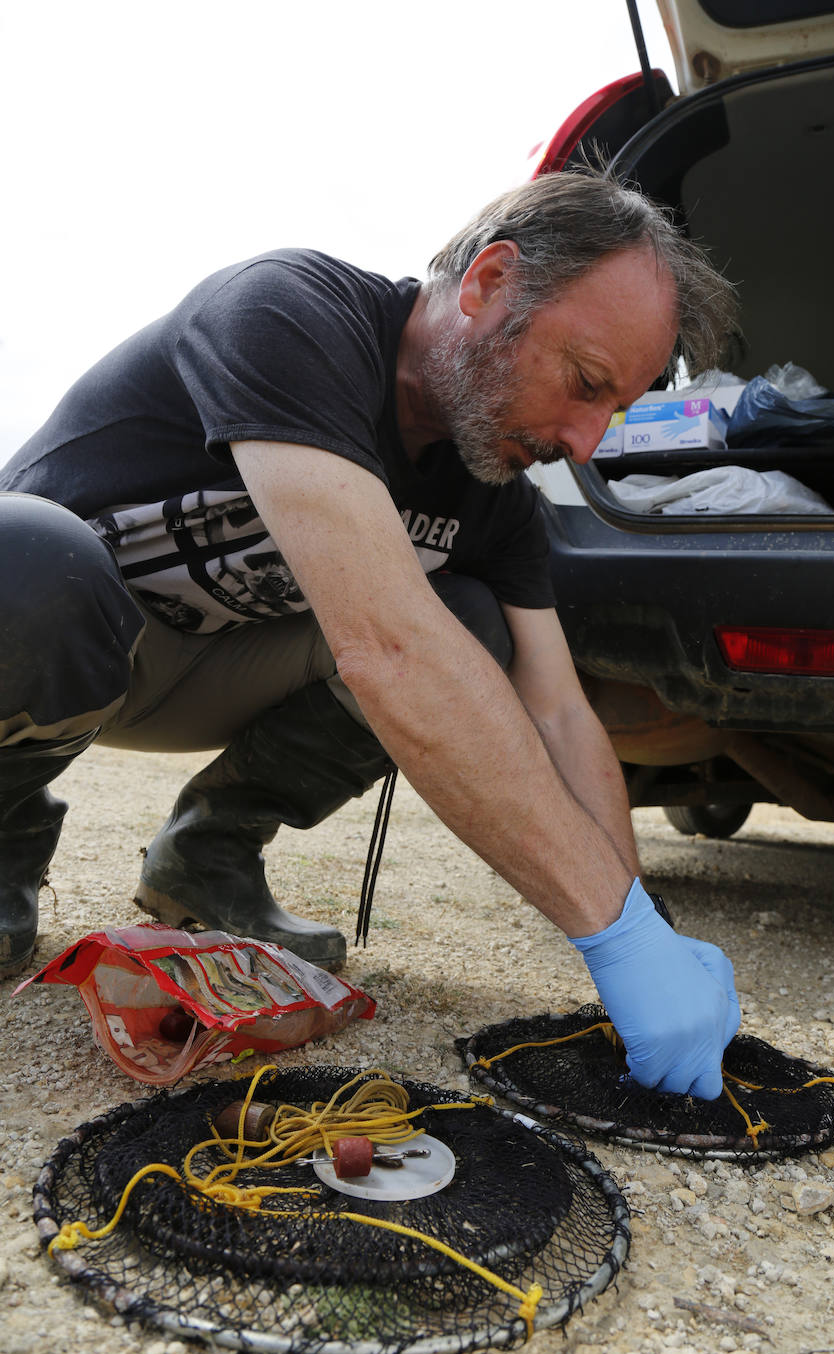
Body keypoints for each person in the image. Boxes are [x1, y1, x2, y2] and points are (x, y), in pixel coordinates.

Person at [0, 170, 742, 1099]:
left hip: (192, 674)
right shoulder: (289, 314)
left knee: (474, 627)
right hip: (47, 638)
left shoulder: (495, 493)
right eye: (586, 383)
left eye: (615, 410)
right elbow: (387, 645)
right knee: (32, 558)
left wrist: (642, 929)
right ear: (488, 284)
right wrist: (617, 933)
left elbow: (558, 710)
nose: (588, 443)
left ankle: (207, 857)